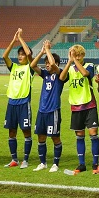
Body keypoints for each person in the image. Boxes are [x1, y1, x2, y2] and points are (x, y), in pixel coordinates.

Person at [31, 41, 69, 171]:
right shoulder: (45, 74)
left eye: (49, 62)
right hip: (42, 110)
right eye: (45, 63)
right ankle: (43, 163)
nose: (47, 65)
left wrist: (47, 49)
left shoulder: (61, 74)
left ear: (57, 64)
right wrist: (42, 52)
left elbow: (53, 64)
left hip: (53, 110)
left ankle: (55, 164)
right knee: (41, 137)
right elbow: (32, 65)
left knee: (55, 137)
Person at [63, 44, 99, 175]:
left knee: (93, 133)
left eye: (78, 55)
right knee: (79, 135)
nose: (77, 58)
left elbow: (85, 74)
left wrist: (74, 61)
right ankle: (82, 164)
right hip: (76, 106)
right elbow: (61, 78)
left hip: (89, 105)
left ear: (83, 55)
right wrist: (69, 61)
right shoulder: (70, 68)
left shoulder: (89, 65)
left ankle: (95, 165)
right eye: (75, 55)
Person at [2, 28, 33, 168]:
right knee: (11, 131)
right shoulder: (13, 67)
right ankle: (14, 159)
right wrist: (13, 41)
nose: (20, 56)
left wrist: (20, 38)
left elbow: (30, 53)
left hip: (24, 102)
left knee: (26, 131)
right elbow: (4, 56)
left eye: (22, 54)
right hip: (11, 102)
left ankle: (25, 160)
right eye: (19, 54)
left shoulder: (30, 68)